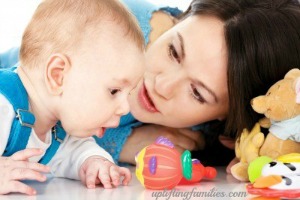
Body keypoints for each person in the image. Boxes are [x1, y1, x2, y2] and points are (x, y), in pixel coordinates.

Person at [2, 0, 300, 170]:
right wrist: (121, 144)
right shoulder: (112, 23)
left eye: (197, 93)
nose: (162, 85)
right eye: (173, 51)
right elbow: (45, 97)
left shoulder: (202, 138)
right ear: (180, 19)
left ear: (225, 121)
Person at [0, 0, 145, 195]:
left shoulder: (56, 130)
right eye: (114, 91)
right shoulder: (4, 104)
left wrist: (95, 162)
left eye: (128, 93)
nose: (125, 108)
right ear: (58, 75)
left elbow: (76, 151)